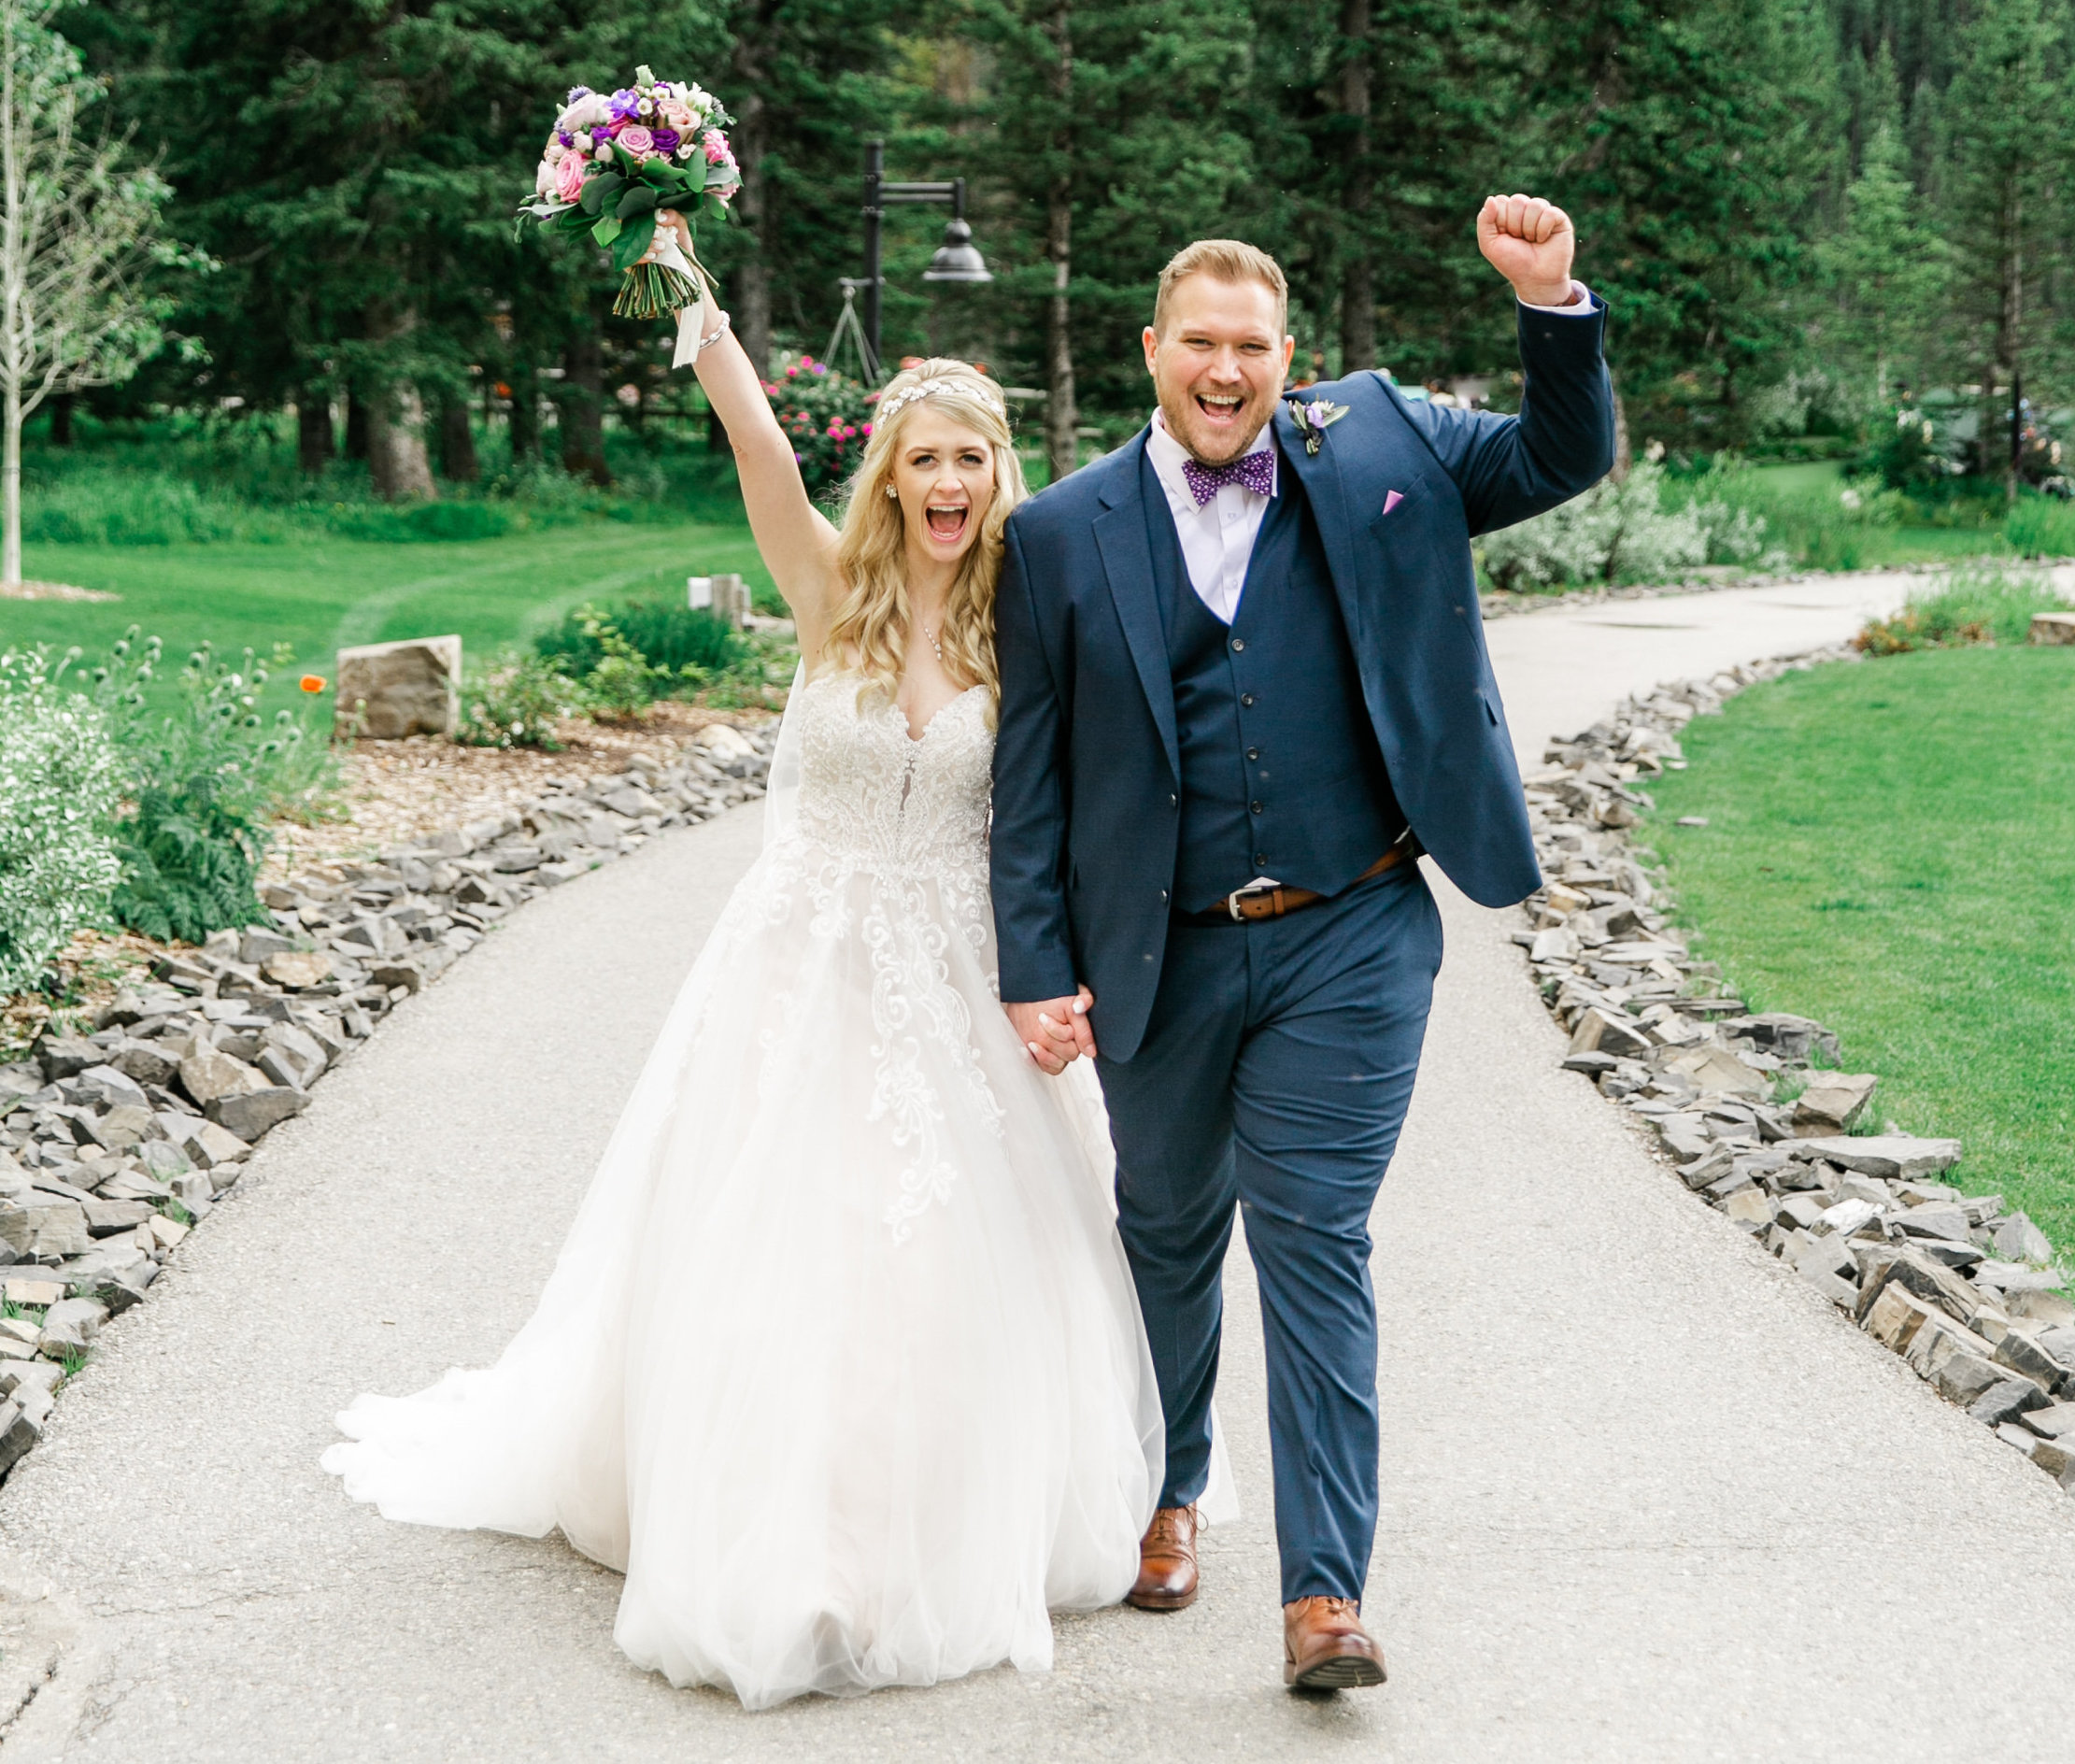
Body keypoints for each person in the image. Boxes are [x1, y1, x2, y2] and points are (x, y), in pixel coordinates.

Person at [324, 228, 1164, 1710]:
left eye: (975, 458)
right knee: (784, 1260)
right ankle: (793, 1550)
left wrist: (1078, 969)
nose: (951, 485)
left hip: (956, 990)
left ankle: (908, 1538)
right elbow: (762, 443)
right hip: (799, 977)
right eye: (927, 461)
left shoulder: (1025, 633)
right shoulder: (830, 589)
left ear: (1000, 473)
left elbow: (1066, 821)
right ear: (893, 475)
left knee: (932, 1278)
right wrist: (695, 296)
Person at [989, 193, 1613, 1696]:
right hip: (1161, 950)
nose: (1225, 370)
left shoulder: (1383, 442)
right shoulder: (1061, 533)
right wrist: (1030, 964)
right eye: (1197, 343)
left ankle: (1326, 1595)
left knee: (1314, 1240)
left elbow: (1559, 456)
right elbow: (1033, 773)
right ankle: (1166, 1487)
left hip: (1352, 931)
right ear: (1152, 350)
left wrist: (1551, 299)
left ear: (1289, 356)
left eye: (1251, 347)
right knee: (1170, 1230)